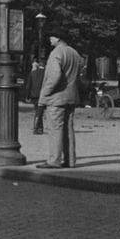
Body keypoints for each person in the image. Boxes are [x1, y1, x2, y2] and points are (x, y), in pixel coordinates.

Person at [36, 28, 84, 169]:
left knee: (55, 129)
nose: (50, 39)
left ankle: (54, 160)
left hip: (56, 98)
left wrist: (45, 93)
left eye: (52, 36)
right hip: (71, 96)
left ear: (58, 38)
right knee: (68, 129)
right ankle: (70, 160)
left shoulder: (56, 53)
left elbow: (55, 76)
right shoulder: (74, 53)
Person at [27, 58, 46, 135]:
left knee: (38, 111)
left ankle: (40, 128)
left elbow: (29, 85)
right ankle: (36, 128)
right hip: (42, 94)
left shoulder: (33, 73)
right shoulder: (45, 73)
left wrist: (27, 96)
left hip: (34, 95)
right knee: (39, 112)